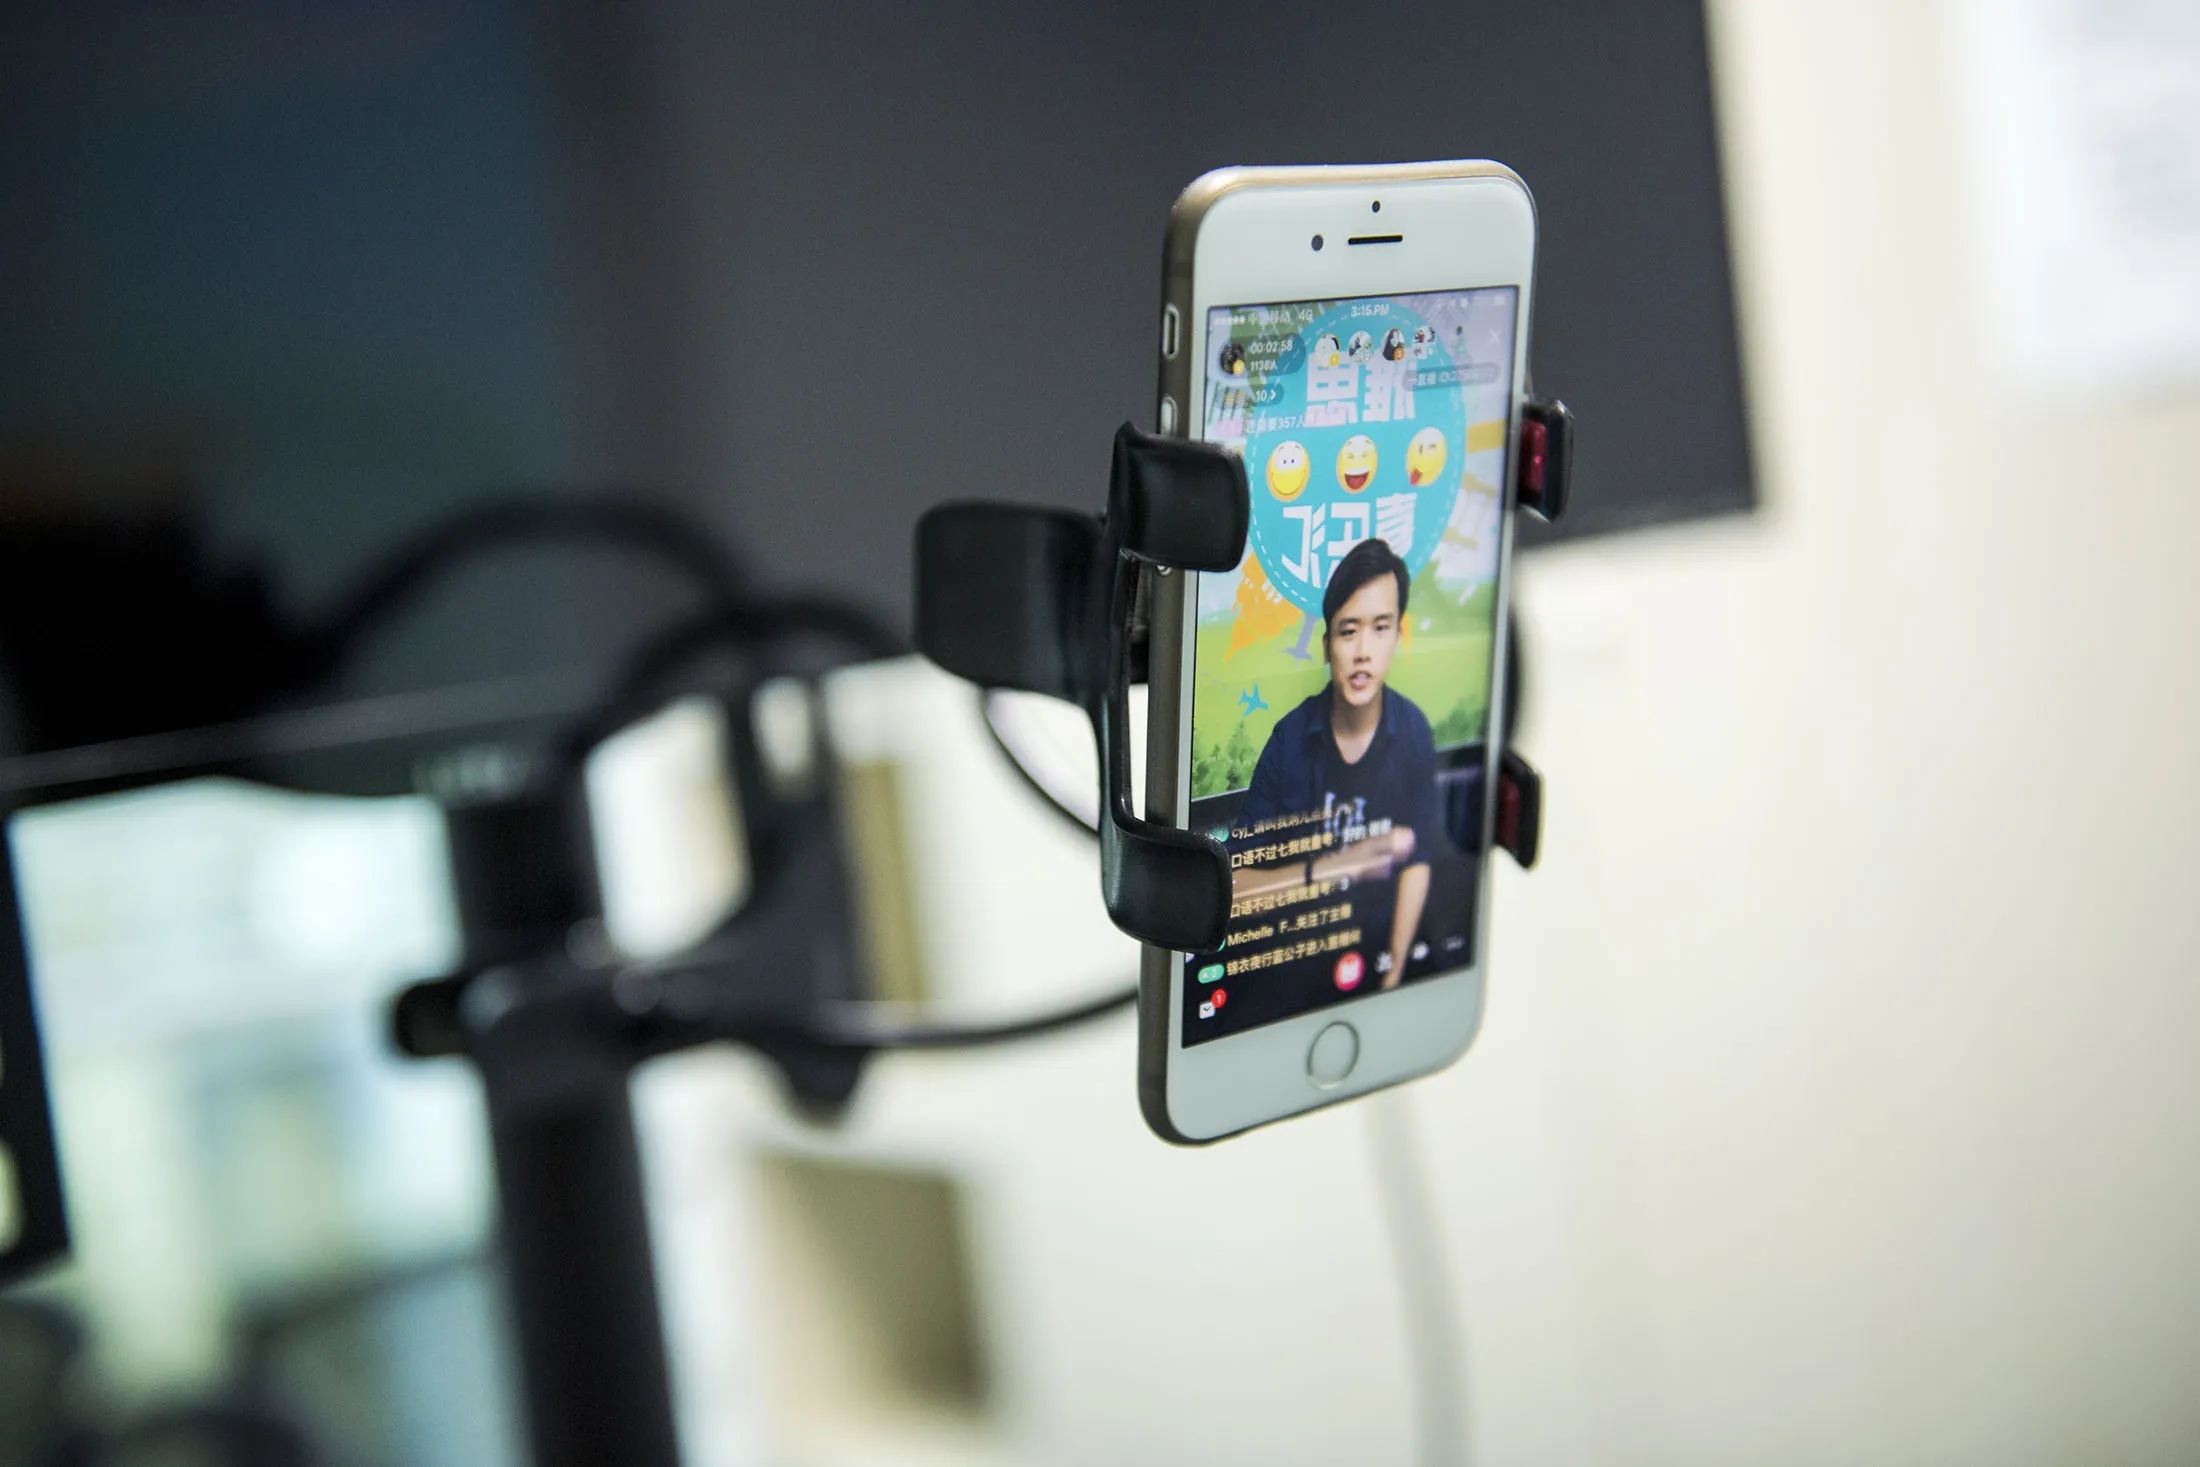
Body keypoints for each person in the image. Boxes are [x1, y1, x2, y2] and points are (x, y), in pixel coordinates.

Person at [1232, 538, 1441, 988]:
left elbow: (1418, 861)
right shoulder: (1289, 740)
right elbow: (1234, 891)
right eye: (1348, 631)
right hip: (1290, 962)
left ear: (1398, 636)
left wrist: (1393, 974)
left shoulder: (1414, 731)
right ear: (1327, 646)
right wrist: (1343, 865)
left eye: (1380, 627)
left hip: (1373, 960)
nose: (1363, 650)